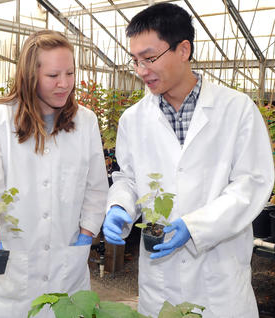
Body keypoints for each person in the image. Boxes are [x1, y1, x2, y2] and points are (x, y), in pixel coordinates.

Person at [102, 3, 274, 318]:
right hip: (160, 286)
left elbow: (253, 182)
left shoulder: (236, 110)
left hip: (219, 284)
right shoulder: (133, 119)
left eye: (150, 58)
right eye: (135, 60)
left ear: (183, 50)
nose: (141, 70)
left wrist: (195, 227)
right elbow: (127, 178)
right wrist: (119, 207)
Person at [0, 30, 109, 318]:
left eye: (70, 73)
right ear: (31, 76)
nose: (64, 84)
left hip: (66, 269)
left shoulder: (86, 121)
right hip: (9, 275)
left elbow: (95, 188)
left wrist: (87, 233)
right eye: (53, 75)